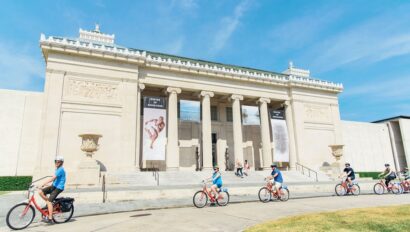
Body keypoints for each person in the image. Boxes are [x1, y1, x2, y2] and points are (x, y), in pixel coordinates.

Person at [39, 156, 66, 223]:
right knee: (40, 192)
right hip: (54, 186)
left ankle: (50, 218)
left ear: (61, 163)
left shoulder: (60, 169)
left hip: (59, 188)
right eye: (56, 161)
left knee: (49, 202)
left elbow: (53, 178)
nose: (57, 163)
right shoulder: (57, 169)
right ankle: (49, 204)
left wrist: (43, 183)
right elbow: (56, 180)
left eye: (58, 162)